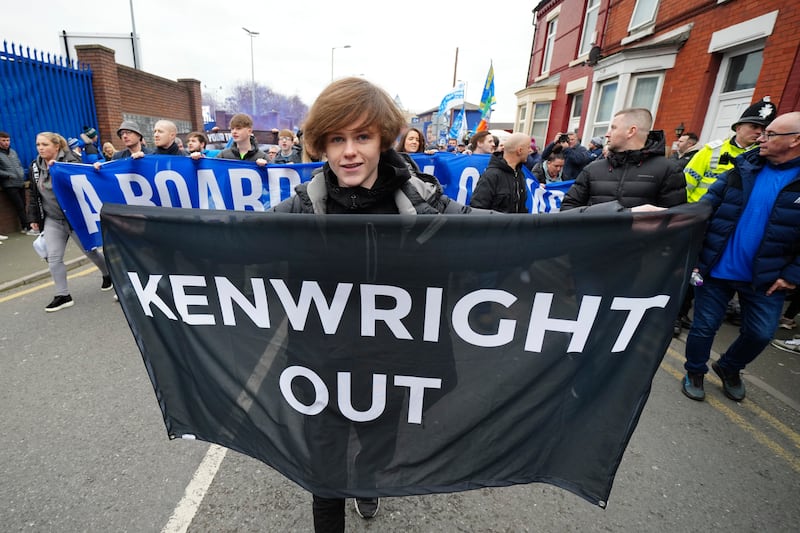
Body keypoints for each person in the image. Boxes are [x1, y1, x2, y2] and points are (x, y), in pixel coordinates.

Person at [272, 76, 473, 533]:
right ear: (321, 145)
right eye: (337, 139)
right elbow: (225, 239)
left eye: (362, 136)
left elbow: (512, 234)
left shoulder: (423, 203)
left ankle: (367, 478)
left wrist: (610, 222)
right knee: (324, 468)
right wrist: (143, 232)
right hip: (320, 363)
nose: (349, 152)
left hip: (392, 364)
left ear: (383, 138)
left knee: (378, 444)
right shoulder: (303, 207)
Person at [681, 112, 800, 402]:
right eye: (761, 131)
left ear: (795, 140)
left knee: (760, 334)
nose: (761, 137)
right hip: (716, 269)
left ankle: (729, 367)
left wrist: (793, 275)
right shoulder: (741, 168)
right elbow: (704, 208)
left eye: (770, 134)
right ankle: (694, 371)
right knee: (703, 327)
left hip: (766, 279)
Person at [27, 132, 113, 312]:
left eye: (44, 144)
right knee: (54, 257)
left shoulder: (71, 161)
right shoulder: (35, 166)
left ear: (56, 146)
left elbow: (84, 183)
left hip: (74, 217)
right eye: (38, 144)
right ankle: (63, 295)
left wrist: (59, 171)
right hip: (53, 218)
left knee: (90, 251)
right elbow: (35, 195)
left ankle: (108, 274)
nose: (40, 148)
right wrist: (34, 218)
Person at [560, 108, 686, 211]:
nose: (607, 134)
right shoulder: (592, 169)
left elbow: (674, 222)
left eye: (614, 128)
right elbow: (567, 209)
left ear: (631, 131)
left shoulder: (668, 170)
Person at [684, 97, 775, 202]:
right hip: (699, 210)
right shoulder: (710, 150)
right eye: (754, 127)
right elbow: (687, 182)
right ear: (738, 128)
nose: (759, 132)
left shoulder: (764, 156)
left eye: (764, 129)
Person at [469, 132, 530, 213]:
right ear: (520, 150)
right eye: (528, 147)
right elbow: (477, 210)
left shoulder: (520, 174)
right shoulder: (491, 175)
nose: (530, 150)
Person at [0, 131, 36, 235]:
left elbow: (19, 165)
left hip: (20, 182)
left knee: (24, 205)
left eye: (7, 140)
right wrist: (8, 175)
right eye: (3, 140)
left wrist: (20, 173)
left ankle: (25, 226)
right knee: (19, 206)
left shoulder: (13, 152)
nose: (6, 143)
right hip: (9, 184)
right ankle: (27, 227)